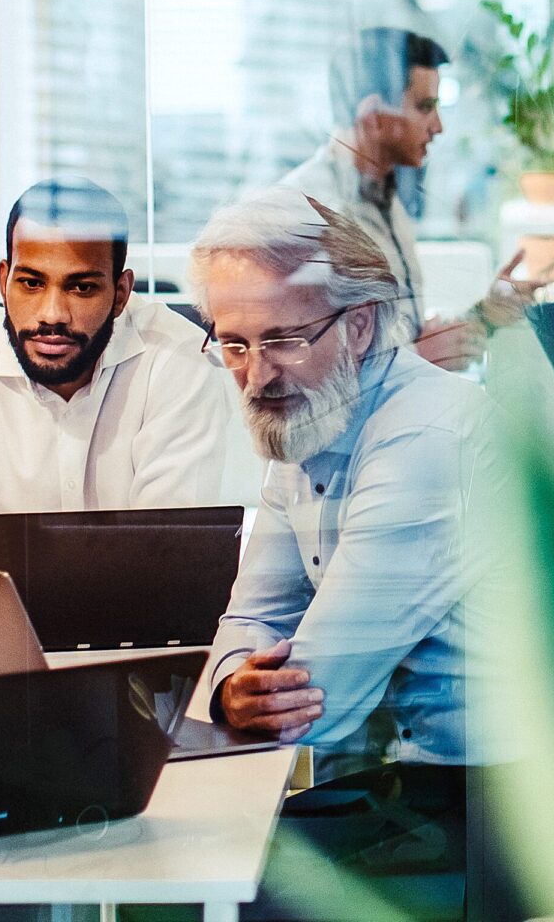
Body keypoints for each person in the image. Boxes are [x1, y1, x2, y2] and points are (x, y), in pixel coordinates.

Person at [187, 187, 523, 921]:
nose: (255, 375)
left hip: (511, 810)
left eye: (281, 339)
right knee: (200, 866)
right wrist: (228, 687)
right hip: (413, 779)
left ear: (361, 325)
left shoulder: (427, 434)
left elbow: (316, 698)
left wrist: (241, 691)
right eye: (234, 344)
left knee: (218, 887)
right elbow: (250, 617)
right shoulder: (311, 416)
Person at [0, 178, 231, 567]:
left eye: (82, 287)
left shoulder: (178, 361)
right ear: (4, 283)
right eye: (31, 283)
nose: (52, 314)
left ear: (120, 293)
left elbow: (168, 554)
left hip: (136, 629)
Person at [282, 27, 538, 372]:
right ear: (373, 117)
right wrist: (419, 358)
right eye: (424, 107)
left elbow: (400, 340)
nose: (438, 127)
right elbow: (305, 367)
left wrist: (483, 315)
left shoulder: (386, 199)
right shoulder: (307, 209)